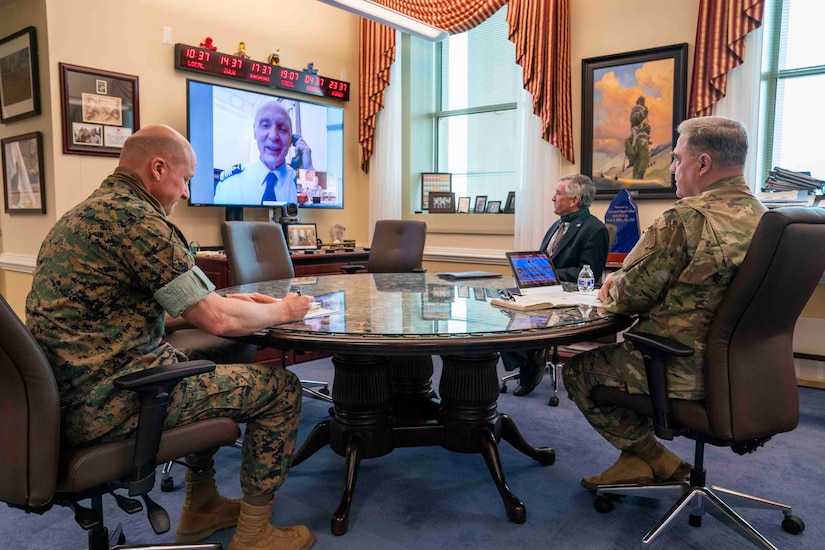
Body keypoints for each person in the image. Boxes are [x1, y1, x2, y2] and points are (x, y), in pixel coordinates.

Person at [26, 124, 316, 550]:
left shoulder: (85, 214)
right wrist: (284, 310)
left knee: (205, 370)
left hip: (67, 398)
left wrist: (230, 305)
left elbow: (138, 313)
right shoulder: (139, 221)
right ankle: (255, 533)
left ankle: (201, 507)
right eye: (185, 180)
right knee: (281, 389)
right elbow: (217, 320)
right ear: (158, 168)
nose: (184, 193)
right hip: (112, 403)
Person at [563, 116, 767, 491]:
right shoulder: (768, 219)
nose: (672, 168)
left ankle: (658, 458)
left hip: (680, 367)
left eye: (676, 158)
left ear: (703, 164)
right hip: (751, 371)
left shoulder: (685, 219)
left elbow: (630, 297)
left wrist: (613, 285)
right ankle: (635, 463)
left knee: (579, 371)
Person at [501, 174, 609, 396]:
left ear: (574, 200)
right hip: (541, 288)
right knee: (503, 304)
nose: (552, 198)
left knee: (521, 317)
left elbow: (588, 273)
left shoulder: (594, 229)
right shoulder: (557, 226)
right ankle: (531, 356)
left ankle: (531, 362)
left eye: (558, 194)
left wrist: (545, 274)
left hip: (566, 295)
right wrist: (530, 270)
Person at [213, 100, 313, 206]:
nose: (273, 136)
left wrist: (308, 171)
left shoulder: (301, 185)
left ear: (291, 139)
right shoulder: (230, 185)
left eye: (283, 128)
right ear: (254, 132)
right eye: (265, 125)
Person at [626, 95, 652, 179]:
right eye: (642, 101)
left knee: (638, 160)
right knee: (645, 157)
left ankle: (635, 179)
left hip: (641, 138)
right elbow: (635, 118)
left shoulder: (641, 111)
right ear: (639, 102)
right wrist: (643, 113)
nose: (643, 103)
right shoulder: (638, 109)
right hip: (640, 138)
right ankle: (639, 175)